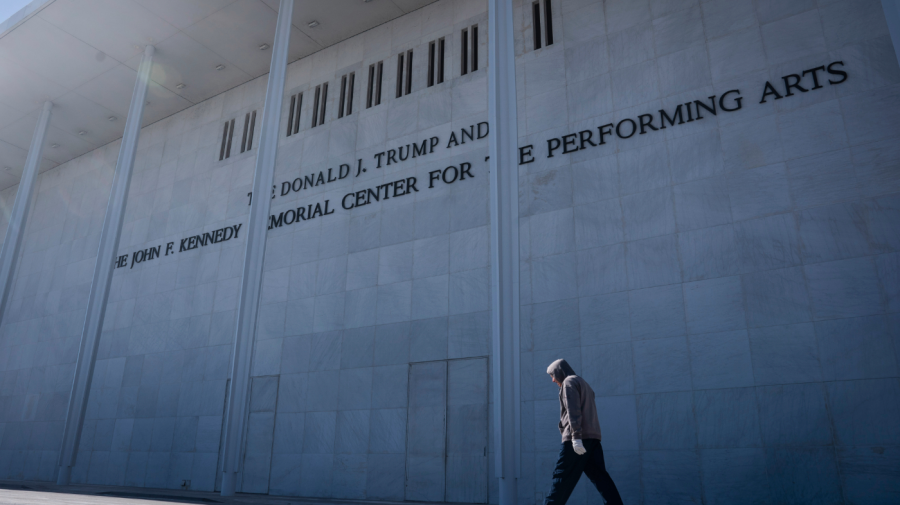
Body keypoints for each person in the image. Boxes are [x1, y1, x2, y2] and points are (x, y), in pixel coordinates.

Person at [544, 359, 623, 505]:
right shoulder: (583, 383)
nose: (553, 380)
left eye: (552, 375)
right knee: (600, 478)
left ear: (559, 371)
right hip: (593, 439)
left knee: (561, 477)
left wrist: (576, 437)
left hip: (577, 440)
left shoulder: (568, 382)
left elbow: (573, 411)